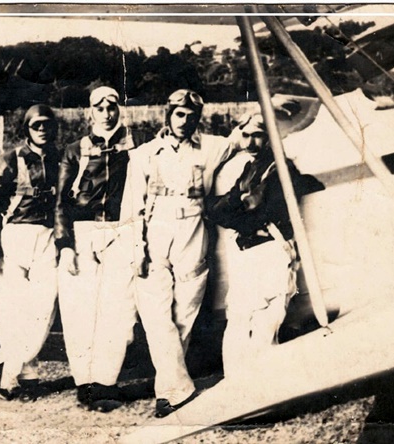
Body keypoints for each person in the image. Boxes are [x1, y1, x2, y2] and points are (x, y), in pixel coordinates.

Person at [129, 89, 235, 417]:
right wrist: (137, 248)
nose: (185, 121)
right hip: (155, 233)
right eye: (179, 114)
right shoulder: (144, 154)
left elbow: (244, 136)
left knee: (185, 311)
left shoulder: (212, 147)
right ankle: (176, 387)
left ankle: (169, 390)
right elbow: (132, 208)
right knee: (156, 315)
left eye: (191, 116)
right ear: (168, 114)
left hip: (193, 230)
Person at [55, 86, 150, 413]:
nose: (107, 113)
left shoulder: (137, 145)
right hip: (84, 233)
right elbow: (61, 203)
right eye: (100, 107)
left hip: (122, 231)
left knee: (119, 310)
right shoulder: (75, 150)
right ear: (90, 112)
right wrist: (65, 246)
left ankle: (105, 383)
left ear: (119, 109)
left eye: (112, 107)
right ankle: (84, 382)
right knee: (80, 310)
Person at [206, 113, 323, 378]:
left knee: (266, 322)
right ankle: (236, 385)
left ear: (270, 136)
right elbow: (219, 210)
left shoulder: (282, 169)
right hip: (249, 251)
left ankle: (263, 384)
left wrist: (240, 211)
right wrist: (241, 211)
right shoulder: (250, 169)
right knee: (238, 319)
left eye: (257, 135)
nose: (250, 142)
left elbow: (267, 212)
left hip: (273, 248)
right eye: (246, 135)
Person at [0, 104, 61, 401]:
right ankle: (17, 375)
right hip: (16, 237)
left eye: (47, 125)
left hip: (48, 237)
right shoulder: (11, 160)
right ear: (26, 129)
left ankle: (1, 364)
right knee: (15, 311)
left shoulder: (61, 159)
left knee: (43, 308)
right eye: (36, 125)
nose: (42, 130)